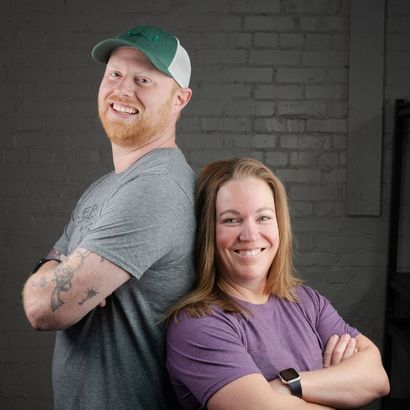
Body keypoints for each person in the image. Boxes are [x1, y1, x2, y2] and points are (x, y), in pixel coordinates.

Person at [22, 24, 195, 410]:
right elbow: (49, 282)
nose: (122, 90)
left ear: (180, 99)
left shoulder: (156, 189)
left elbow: (43, 307)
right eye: (114, 74)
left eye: (143, 80)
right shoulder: (106, 187)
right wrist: (64, 273)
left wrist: (62, 273)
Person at [166, 158, 390, 410]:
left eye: (263, 217)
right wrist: (338, 387)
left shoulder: (307, 301)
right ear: (208, 232)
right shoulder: (198, 325)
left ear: (279, 225)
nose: (250, 235)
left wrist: (288, 385)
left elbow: (377, 378)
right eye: (231, 220)